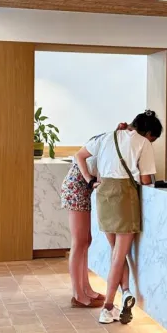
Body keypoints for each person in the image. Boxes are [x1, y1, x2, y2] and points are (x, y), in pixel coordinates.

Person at [75, 110, 163, 325]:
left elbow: (79, 155)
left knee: (116, 252)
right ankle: (107, 307)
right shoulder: (143, 143)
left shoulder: (107, 136)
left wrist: (89, 180)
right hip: (125, 199)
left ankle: (126, 292)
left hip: (104, 196)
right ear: (148, 133)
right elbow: (145, 180)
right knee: (118, 255)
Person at [61, 123, 128, 308]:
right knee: (79, 242)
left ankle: (86, 289)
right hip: (77, 187)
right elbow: (79, 157)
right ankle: (78, 295)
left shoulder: (108, 142)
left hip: (82, 188)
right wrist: (90, 180)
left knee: (86, 241)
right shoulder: (105, 141)